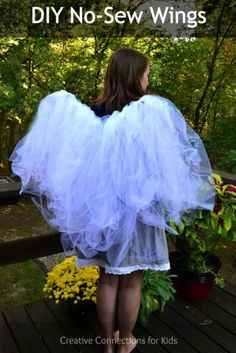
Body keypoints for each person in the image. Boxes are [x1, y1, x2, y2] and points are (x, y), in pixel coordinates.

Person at [9, 48, 215, 353]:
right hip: (139, 213)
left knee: (107, 279)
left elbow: (77, 166)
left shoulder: (92, 115)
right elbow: (165, 164)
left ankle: (107, 345)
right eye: (146, 73)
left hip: (101, 214)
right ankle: (125, 343)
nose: (148, 78)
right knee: (132, 281)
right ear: (135, 76)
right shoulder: (147, 114)